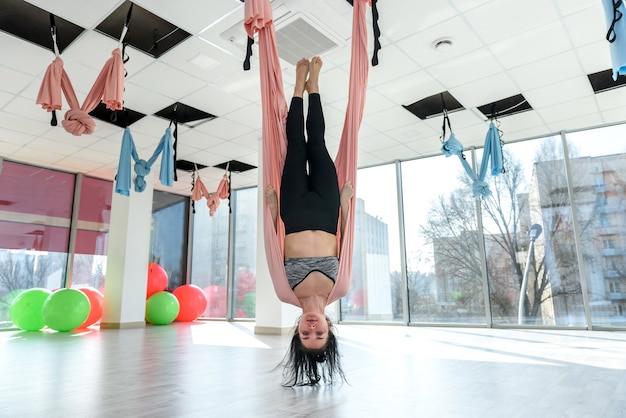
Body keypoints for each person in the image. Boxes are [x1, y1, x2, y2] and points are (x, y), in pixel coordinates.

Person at [265, 56, 353, 386]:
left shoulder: (284, 291)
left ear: (297, 330)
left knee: (296, 146)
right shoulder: (339, 287)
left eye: (306, 334)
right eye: (319, 334)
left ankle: (297, 85)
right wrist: (344, 205)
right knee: (317, 142)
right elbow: (344, 240)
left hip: (294, 209)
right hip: (329, 210)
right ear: (330, 329)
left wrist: (273, 207)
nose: (312, 328)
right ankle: (314, 83)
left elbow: (274, 246)